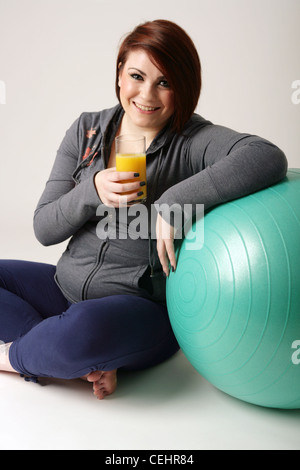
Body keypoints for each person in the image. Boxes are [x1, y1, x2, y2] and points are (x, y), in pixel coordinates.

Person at [0, 19, 287, 400]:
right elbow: (43, 229)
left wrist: (174, 202)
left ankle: (19, 356)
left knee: (86, 330)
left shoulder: (193, 140)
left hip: (141, 311)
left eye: (165, 82)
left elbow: (265, 156)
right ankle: (71, 352)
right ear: (120, 74)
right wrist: (93, 189)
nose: (147, 94)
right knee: (76, 329)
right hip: (62, 286)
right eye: (137, 75)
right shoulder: (88, 130)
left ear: (183, 88)